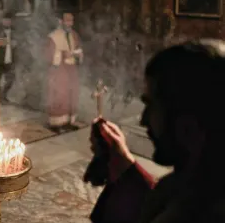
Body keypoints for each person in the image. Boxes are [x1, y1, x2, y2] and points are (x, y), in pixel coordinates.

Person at [89, 41, 225, 223]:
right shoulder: (202, 181)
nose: (143, 119)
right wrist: (121, 162)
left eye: (151, 106)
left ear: (188, 127)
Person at [45, 11, 83, 133]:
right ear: (61, 21)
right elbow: (47, 55)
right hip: (59, 69)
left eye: (71, 20)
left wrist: (79, 54)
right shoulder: (53, 36)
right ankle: (56, 123)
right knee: (60, 94)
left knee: (72, 93)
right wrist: (61, 54)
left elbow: (78, 48)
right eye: (67, 20)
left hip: (71, 69)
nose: (69, 23)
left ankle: (69, 122)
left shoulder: (74, 35)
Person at [0, 12, 17, 104]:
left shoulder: (14, 31)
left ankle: (4, 95)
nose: (7, 22)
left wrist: (16, 44)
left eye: (9, 21)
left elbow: (19, 42)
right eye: (5, 20)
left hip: (10, 60)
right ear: (2, 21)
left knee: (11, 78)